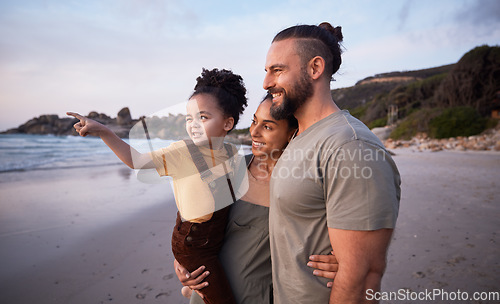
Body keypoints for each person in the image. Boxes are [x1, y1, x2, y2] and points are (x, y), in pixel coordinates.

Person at [68, 68, 250, 304]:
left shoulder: (231, 154)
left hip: (215, 237)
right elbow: (137, 161)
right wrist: (104, 131)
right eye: (189, 119)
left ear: (227, 123)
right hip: (194, 244)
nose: (193, 125)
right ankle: (193, 289)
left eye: (203, 118)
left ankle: (190, 291)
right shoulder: (183, 152)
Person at [263, 22, 401, 303]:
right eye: (266, 72)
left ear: (315, 68)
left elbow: (362, 279)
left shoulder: (351, 147)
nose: (266, 83)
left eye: (277, 70)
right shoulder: (298, 137)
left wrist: (353, 264)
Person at [175, 94, 340, 304]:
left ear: (293, 133)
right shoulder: (229, 168)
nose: (254, 131)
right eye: (254, 121)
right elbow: (192, 226)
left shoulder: (303, 186)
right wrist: (180, 262)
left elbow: (329, 238)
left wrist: (342, 262)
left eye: (268, 127)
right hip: (208, 294)